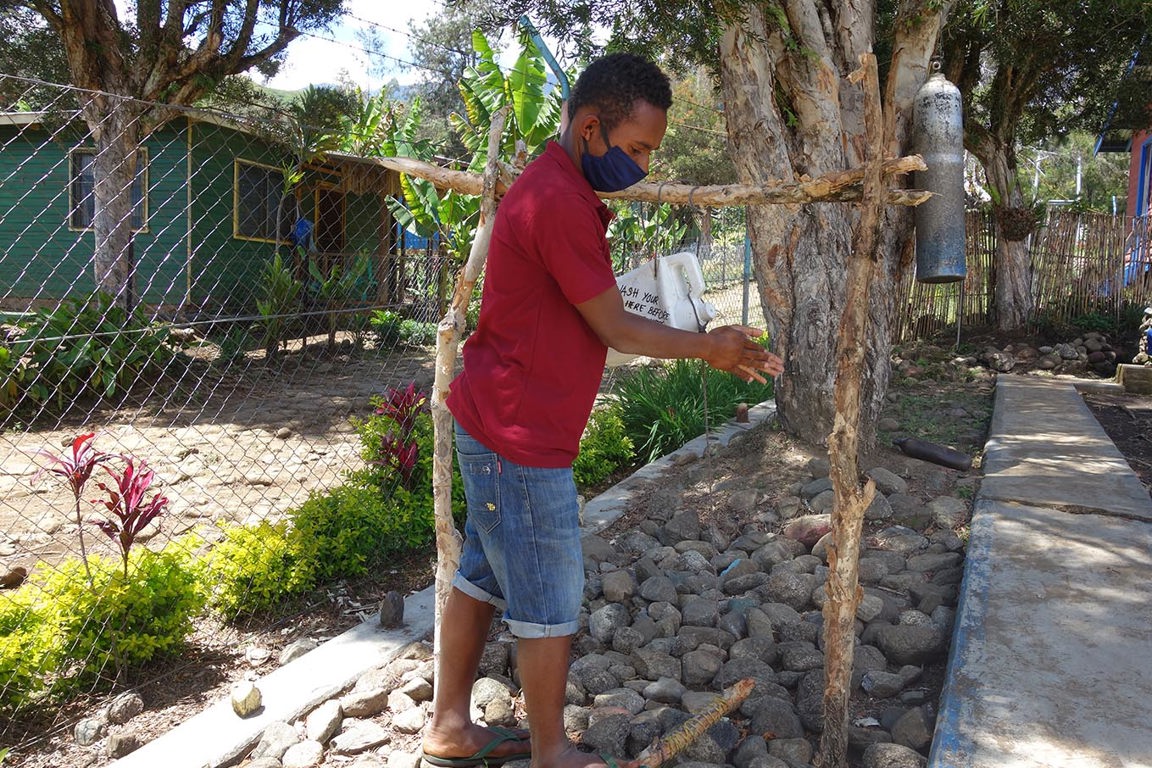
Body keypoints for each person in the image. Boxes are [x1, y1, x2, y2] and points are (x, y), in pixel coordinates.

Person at [421, 53, 785, 768]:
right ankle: (552, 752)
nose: (644, 164)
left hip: (500, 418)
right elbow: (615, 327)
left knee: (484, 575)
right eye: (638, 148)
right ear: (591, 128)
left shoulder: (559, 188)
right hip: (519, 435)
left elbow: (591, 314)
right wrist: (708, 347)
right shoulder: (557, 199)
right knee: (548, 592)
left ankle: (451, 726)